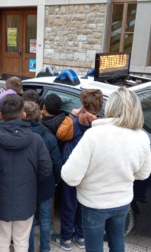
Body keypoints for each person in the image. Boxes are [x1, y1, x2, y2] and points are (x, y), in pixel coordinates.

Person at [61, 87, 151, 252]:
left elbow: (70, 177)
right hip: (122, 202)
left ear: (111, 107)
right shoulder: (141, 137)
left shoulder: (94, 135)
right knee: (118, 245)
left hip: (95, 204)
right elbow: (143, 173)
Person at [0, 94, 52, 252]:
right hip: (26, 201)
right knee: (22, 243)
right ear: (23, 115)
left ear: (0, 115)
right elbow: (46, 170)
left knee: (1, 243)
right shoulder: (36, 140)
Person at [51, 89, 103, 250]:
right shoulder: (102, 124)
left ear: (83, 104)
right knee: (84, 205)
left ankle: (66, 239)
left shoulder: (75, 121)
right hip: (91, 171)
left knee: (69, 204)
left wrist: (71, 116)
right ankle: (81, 237)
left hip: (73, 169)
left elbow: (60, 134)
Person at [23, 101, 62, 252]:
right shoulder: (49, 137)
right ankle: (45, 248)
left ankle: (30, 248)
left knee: (29, 221)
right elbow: (57, 162)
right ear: (39, 115)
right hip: (46, 183)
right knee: (46, 218)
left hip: (27, 186)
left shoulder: (20, 136)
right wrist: (57, 180)